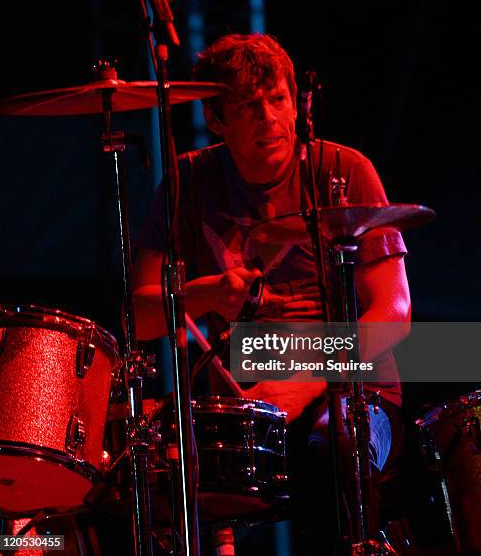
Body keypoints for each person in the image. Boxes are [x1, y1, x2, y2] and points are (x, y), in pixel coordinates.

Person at [133, 33, 410, 553]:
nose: (268, 117)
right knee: (148, 471)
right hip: (247, 402)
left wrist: (306, 378)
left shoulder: (344, 170)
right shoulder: (187, 181)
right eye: (247, 106)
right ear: (217, 120)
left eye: (277, 99)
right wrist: (208, 292)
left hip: (354, 394)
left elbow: (394, 314)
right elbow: (141, 317)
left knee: (334, 447)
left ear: (295, 103)